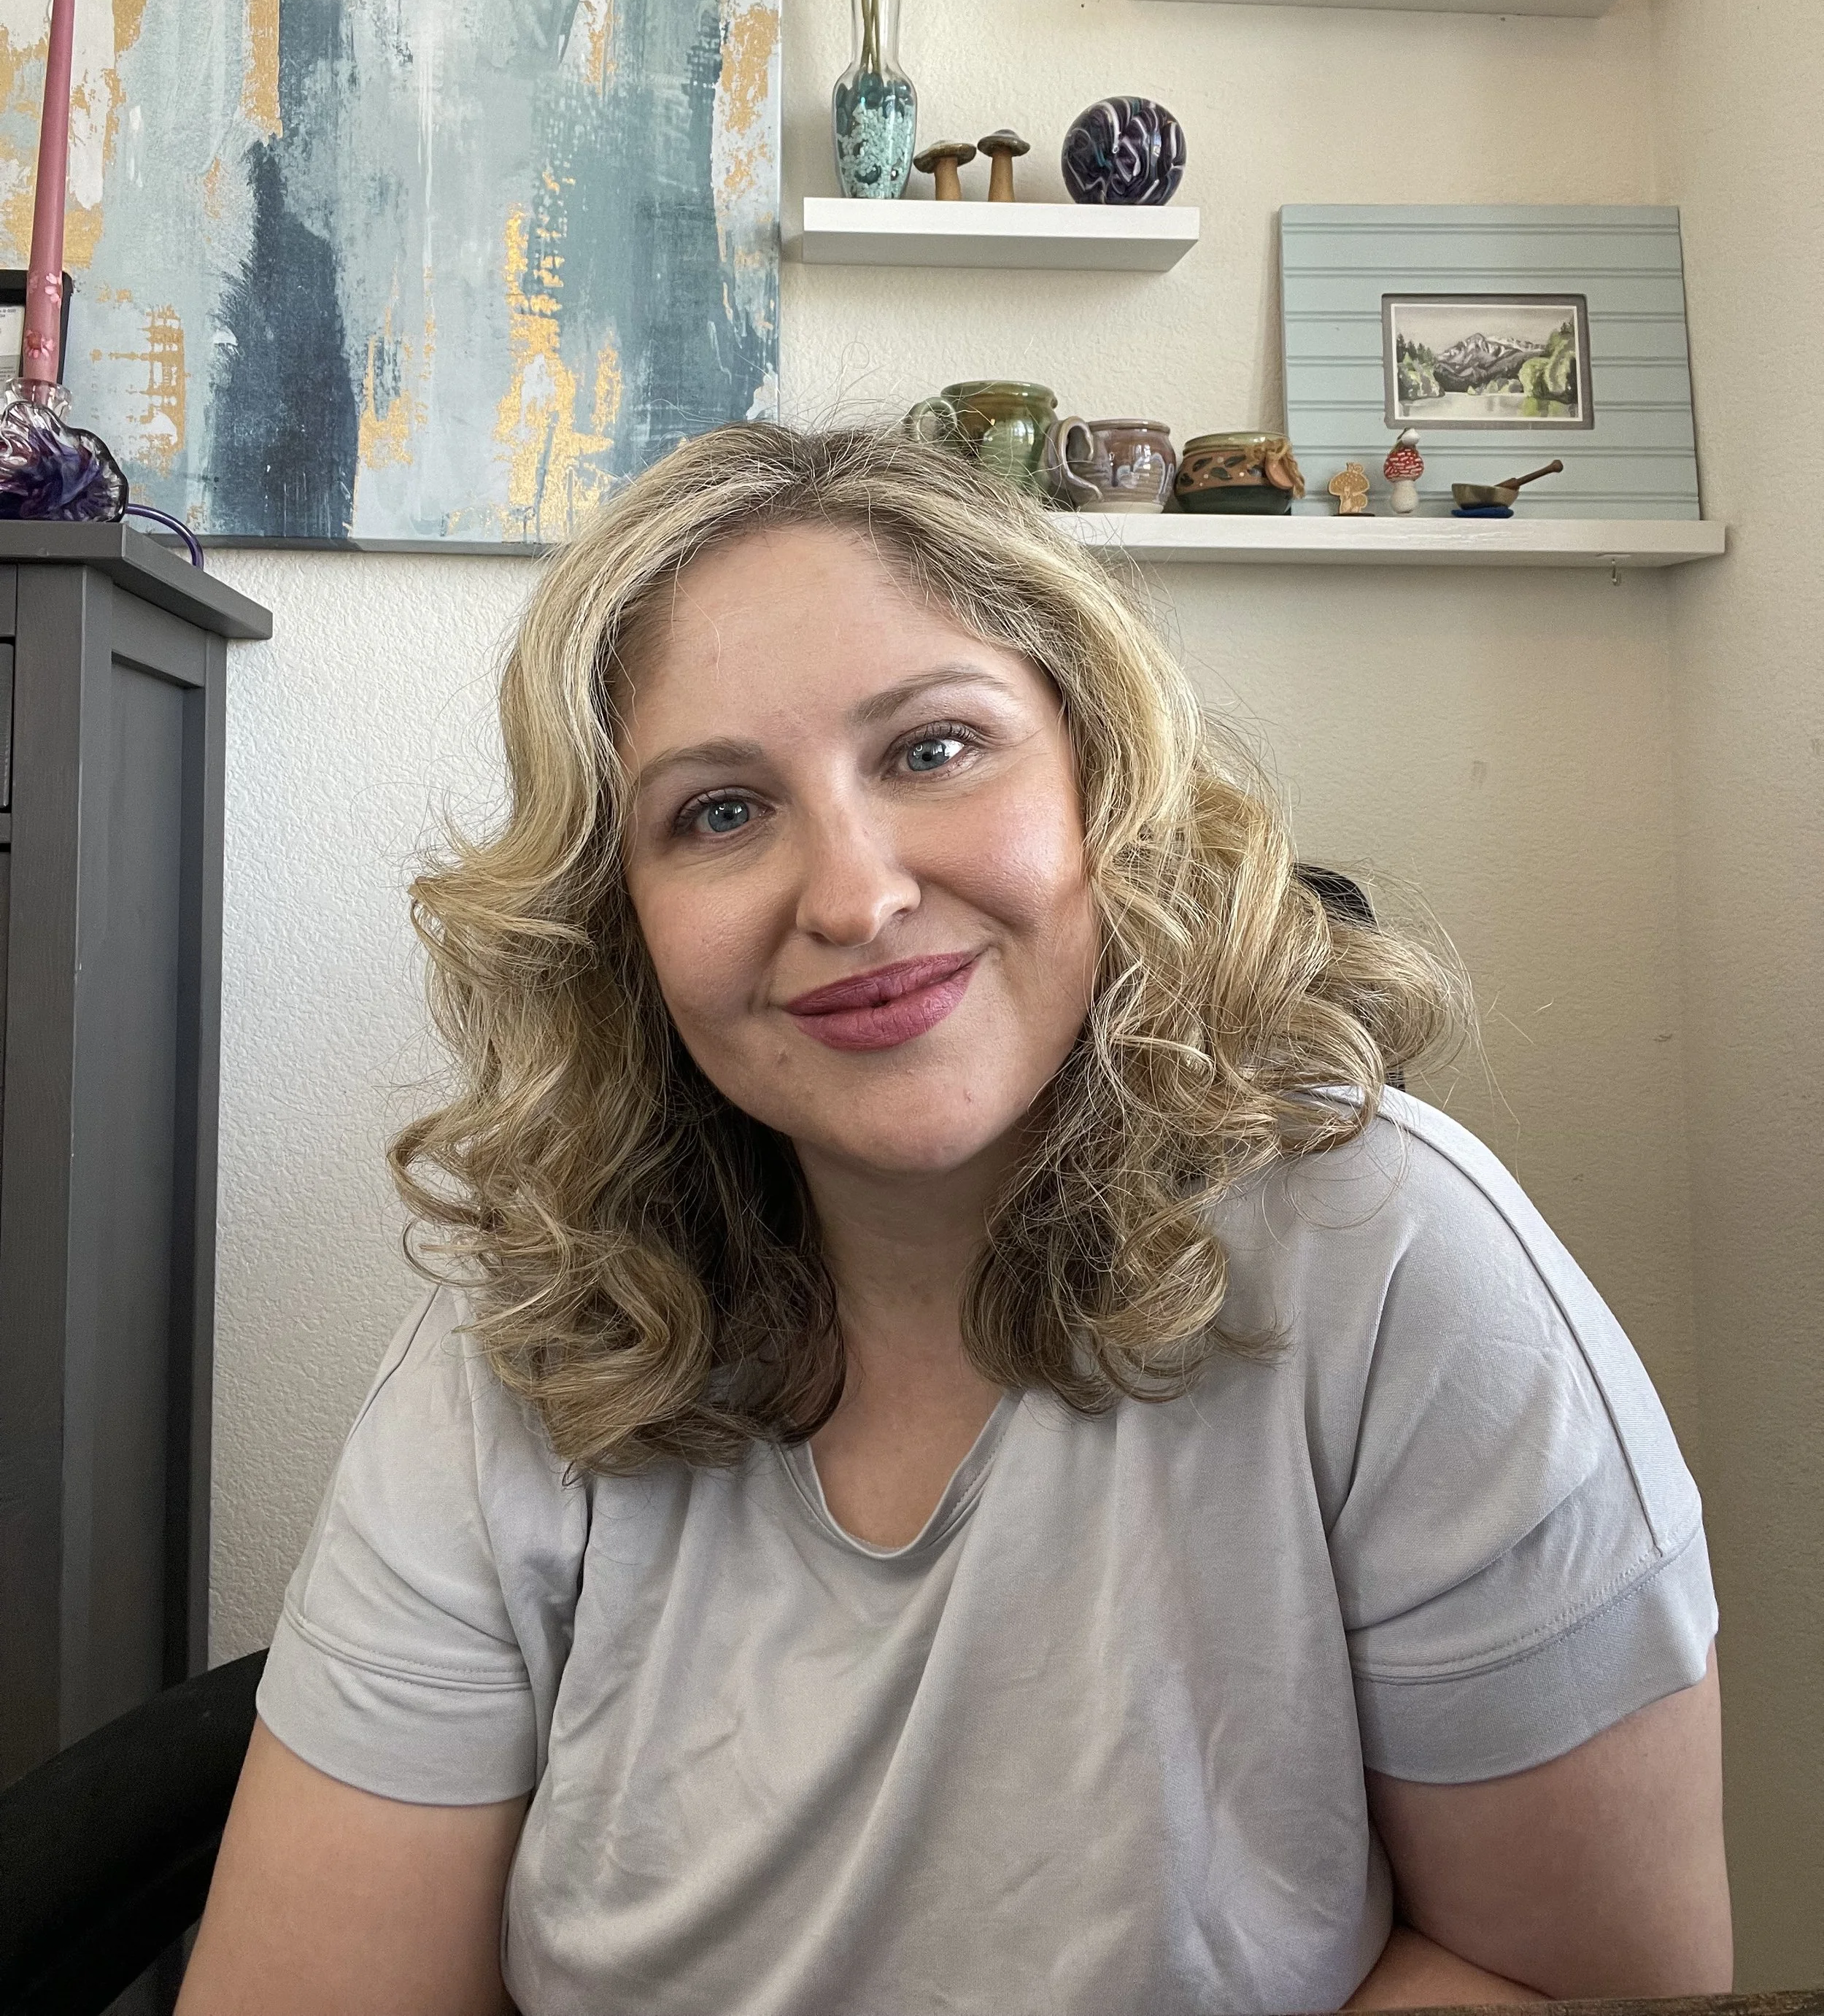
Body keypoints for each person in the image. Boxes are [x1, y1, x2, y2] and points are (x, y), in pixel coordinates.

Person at [177, 427, 1731, 2016]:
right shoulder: (521, 1325)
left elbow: (1556, 1975)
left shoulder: (1395, 1258)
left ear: (1095, 783)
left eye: (930, 750)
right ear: (616, 923)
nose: (851, 897)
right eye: (717, 812)